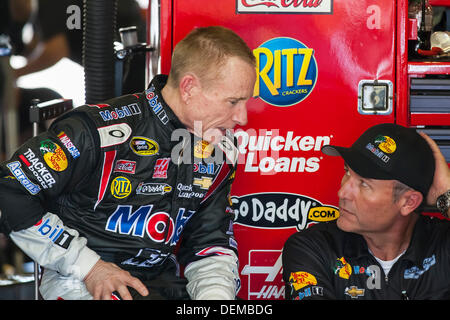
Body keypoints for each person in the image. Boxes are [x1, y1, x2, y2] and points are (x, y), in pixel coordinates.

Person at [0, 25, 256, 300]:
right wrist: (90, 267)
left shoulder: (217, 148)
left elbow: (209, 242)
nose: (242, 118)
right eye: (233, 102)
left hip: (160, 284)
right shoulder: (96, 131)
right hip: (80, 281)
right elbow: (9, 190)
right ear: (189, 87)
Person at [282, 123, 450, 300]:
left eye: (364, 184)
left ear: (409, 202)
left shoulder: (442, 247)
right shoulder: (314, 248)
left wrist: (446, 193)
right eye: (347, 172)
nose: (342, 192)